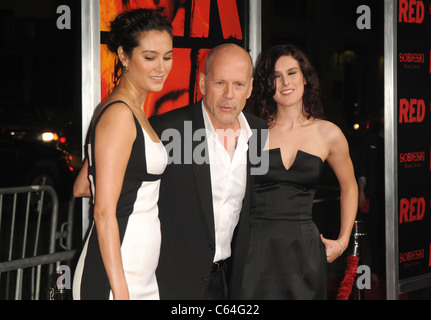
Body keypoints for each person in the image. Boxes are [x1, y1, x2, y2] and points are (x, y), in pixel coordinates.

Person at [230, 44, 358, 300]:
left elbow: (349, 186)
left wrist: (343, 241)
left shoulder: (328, 133)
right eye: (276, 76)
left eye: (292, 73)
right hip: (254, 250)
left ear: (305, 78)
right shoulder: (248, 130)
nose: (285, 82)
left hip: (305, 252)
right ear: (267, 84)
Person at [149, 43, 268, 300]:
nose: (228, 95)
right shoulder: (166, 131)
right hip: (169, 283)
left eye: (238, 85)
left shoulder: (259, 134)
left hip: (227, 284)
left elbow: (258, 208)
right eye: (219, 83)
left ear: (250, 87)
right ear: (203, 83)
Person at [72, 9, 173, 300]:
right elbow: (103, 212)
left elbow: (82, 186)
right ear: (124, 56)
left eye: (167, 57)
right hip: (115, 279)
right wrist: (122, 293)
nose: (161, 68)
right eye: (150, 57)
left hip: (138, 272)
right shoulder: (119, 115)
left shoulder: (131, 111)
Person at [358, 107, 385, 283]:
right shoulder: (371, 139)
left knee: (387, 234)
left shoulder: (398, 140)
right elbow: (363, 167)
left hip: (392, 196)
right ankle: (372, 272)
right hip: (373, 196)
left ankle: (384, 269)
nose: (385, 118)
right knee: (372, 233)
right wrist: (361, 191)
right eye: (382, 114)